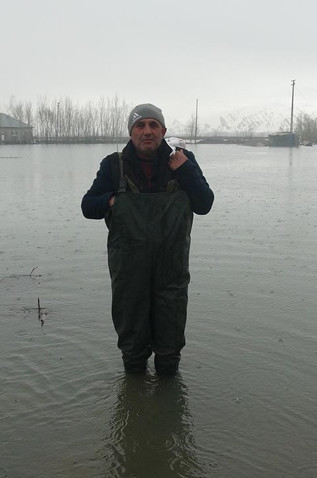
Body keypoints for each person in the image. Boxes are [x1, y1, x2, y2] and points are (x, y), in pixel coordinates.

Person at [82, 103, 214, 375]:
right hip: (129, 271)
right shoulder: (113, 165)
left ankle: (167, 399)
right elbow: (87, 207)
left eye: (154, 125)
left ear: (163, 131)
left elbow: (204, 204)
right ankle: (134, 389)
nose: (147, 131)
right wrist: (112, 199)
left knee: (169, 345)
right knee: (132, 346)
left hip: (172, 269)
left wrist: (186, 170)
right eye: (140, 126)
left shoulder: (182, 161)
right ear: (131, 132)